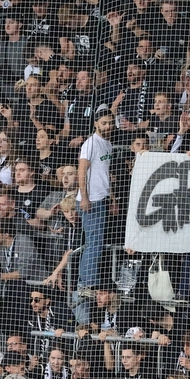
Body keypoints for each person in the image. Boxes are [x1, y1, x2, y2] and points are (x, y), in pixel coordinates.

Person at [77, 107, 114, 290]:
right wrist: (84, 197)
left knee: (96, 243)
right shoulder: (90, 144)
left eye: (110, 123)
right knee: (94, 243)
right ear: (96, 124)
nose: (108, 126)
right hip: (91, 200)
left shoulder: (107, 144)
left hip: (102, 198)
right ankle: (87, 283)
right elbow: (82, 170)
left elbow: (106, 174)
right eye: (104, 123)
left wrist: (112, 198)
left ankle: (88, 281)